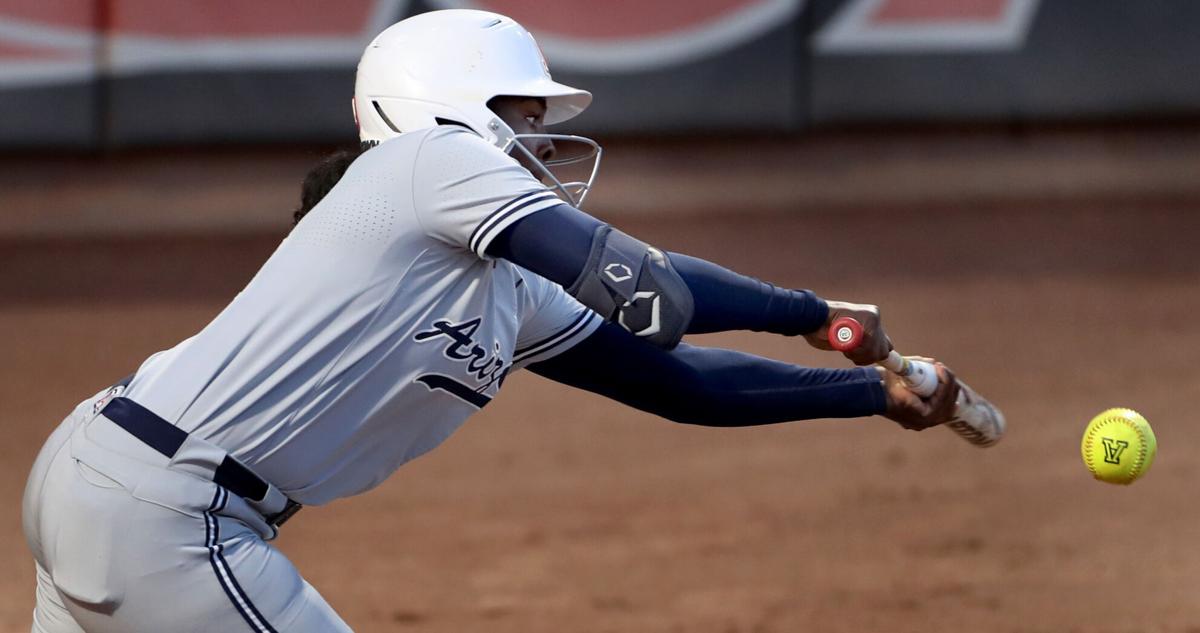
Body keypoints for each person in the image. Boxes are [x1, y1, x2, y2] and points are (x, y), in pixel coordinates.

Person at [21, 9, 959, 633]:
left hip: (108, 482)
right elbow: (657, 297)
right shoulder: (426, 162)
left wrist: (867, 395)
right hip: (174, 515)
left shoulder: (506, 286)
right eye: (519, 111)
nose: (539, 140)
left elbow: (679, 384)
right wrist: (806, 311)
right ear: (440, 106)